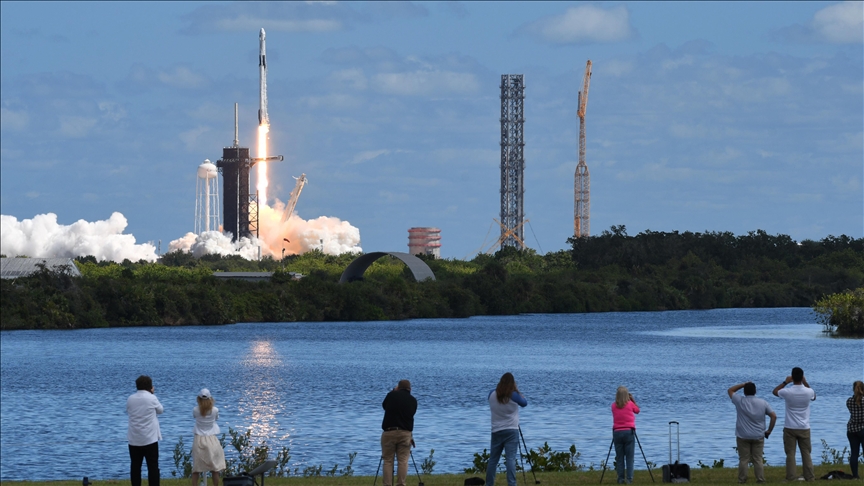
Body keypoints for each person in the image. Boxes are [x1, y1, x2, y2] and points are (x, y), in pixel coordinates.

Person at [773, 367, 816, 482]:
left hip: (790, 427)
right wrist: (805, 382)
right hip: (804, 427)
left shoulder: (787, 391)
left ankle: (791, 477)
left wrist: (785, 382)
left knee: (790, 453)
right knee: (806, 453)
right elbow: (814, 396)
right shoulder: (808, 391)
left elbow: (775, 391)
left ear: (792, 377)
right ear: (802, 377)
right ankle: (809, 477)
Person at [728, 382, 777, 483]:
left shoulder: (739, 401)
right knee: (758, 459)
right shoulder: (763, 402)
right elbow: (773, 416)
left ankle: (742, 480)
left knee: (743, 459)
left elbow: (730, 390)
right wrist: (769, 431)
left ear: (744, 392)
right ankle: (760, 479)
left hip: (743, 435)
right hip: (758, 435)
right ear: (755, 391)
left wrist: (743, 384)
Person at [486, 372, 528, 486]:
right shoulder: (513, 395)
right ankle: (511, 483)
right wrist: (518, 391)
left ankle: (489, 483)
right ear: (512, 383)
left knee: (493, 460)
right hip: (511, 430)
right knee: (510, 459)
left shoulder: (491, 394)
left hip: (496, 430)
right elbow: (524, 403)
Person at [127, 375, 164, 486]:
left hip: (134, 438)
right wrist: (152, 394)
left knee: (135, 466)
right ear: (150, 387)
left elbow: (128, 410)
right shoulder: (152, 398)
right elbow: (161, 410)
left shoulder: (130, 398)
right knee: (152, 466)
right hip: (150, 438)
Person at [380, 379, 418, 486]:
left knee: (388, 460)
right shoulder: (413, 400)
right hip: (405, 433)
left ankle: (387, 484)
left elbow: (384, 406)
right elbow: (412, 413)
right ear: (410, 389)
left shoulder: (391, 395)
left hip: (389, 432)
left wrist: (393, 392)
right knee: (403, 461)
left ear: (398, 387)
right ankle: (401, 484)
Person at [191, 389, 226, 486]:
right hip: (211, 439)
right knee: (215, 468)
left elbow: (194, 416)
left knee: (196, 468)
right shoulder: (215, 410)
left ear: (198, 398)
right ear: (210, 398)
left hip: (199, 439)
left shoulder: (195, 410)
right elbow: (216, 418)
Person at [611, 386, 640, 484]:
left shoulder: (613, 406)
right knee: (629, 457)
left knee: (620, 457)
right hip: (629, 432)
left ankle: (620, 479)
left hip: (617, 432)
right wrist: (632, 400)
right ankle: (629, 479)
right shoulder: (630, 404)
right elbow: (637, 410)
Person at [847, 381, 864, 479]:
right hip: (863, 429)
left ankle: (855, 475)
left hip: (852, 429)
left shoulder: (849, 401)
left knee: (854, 453)